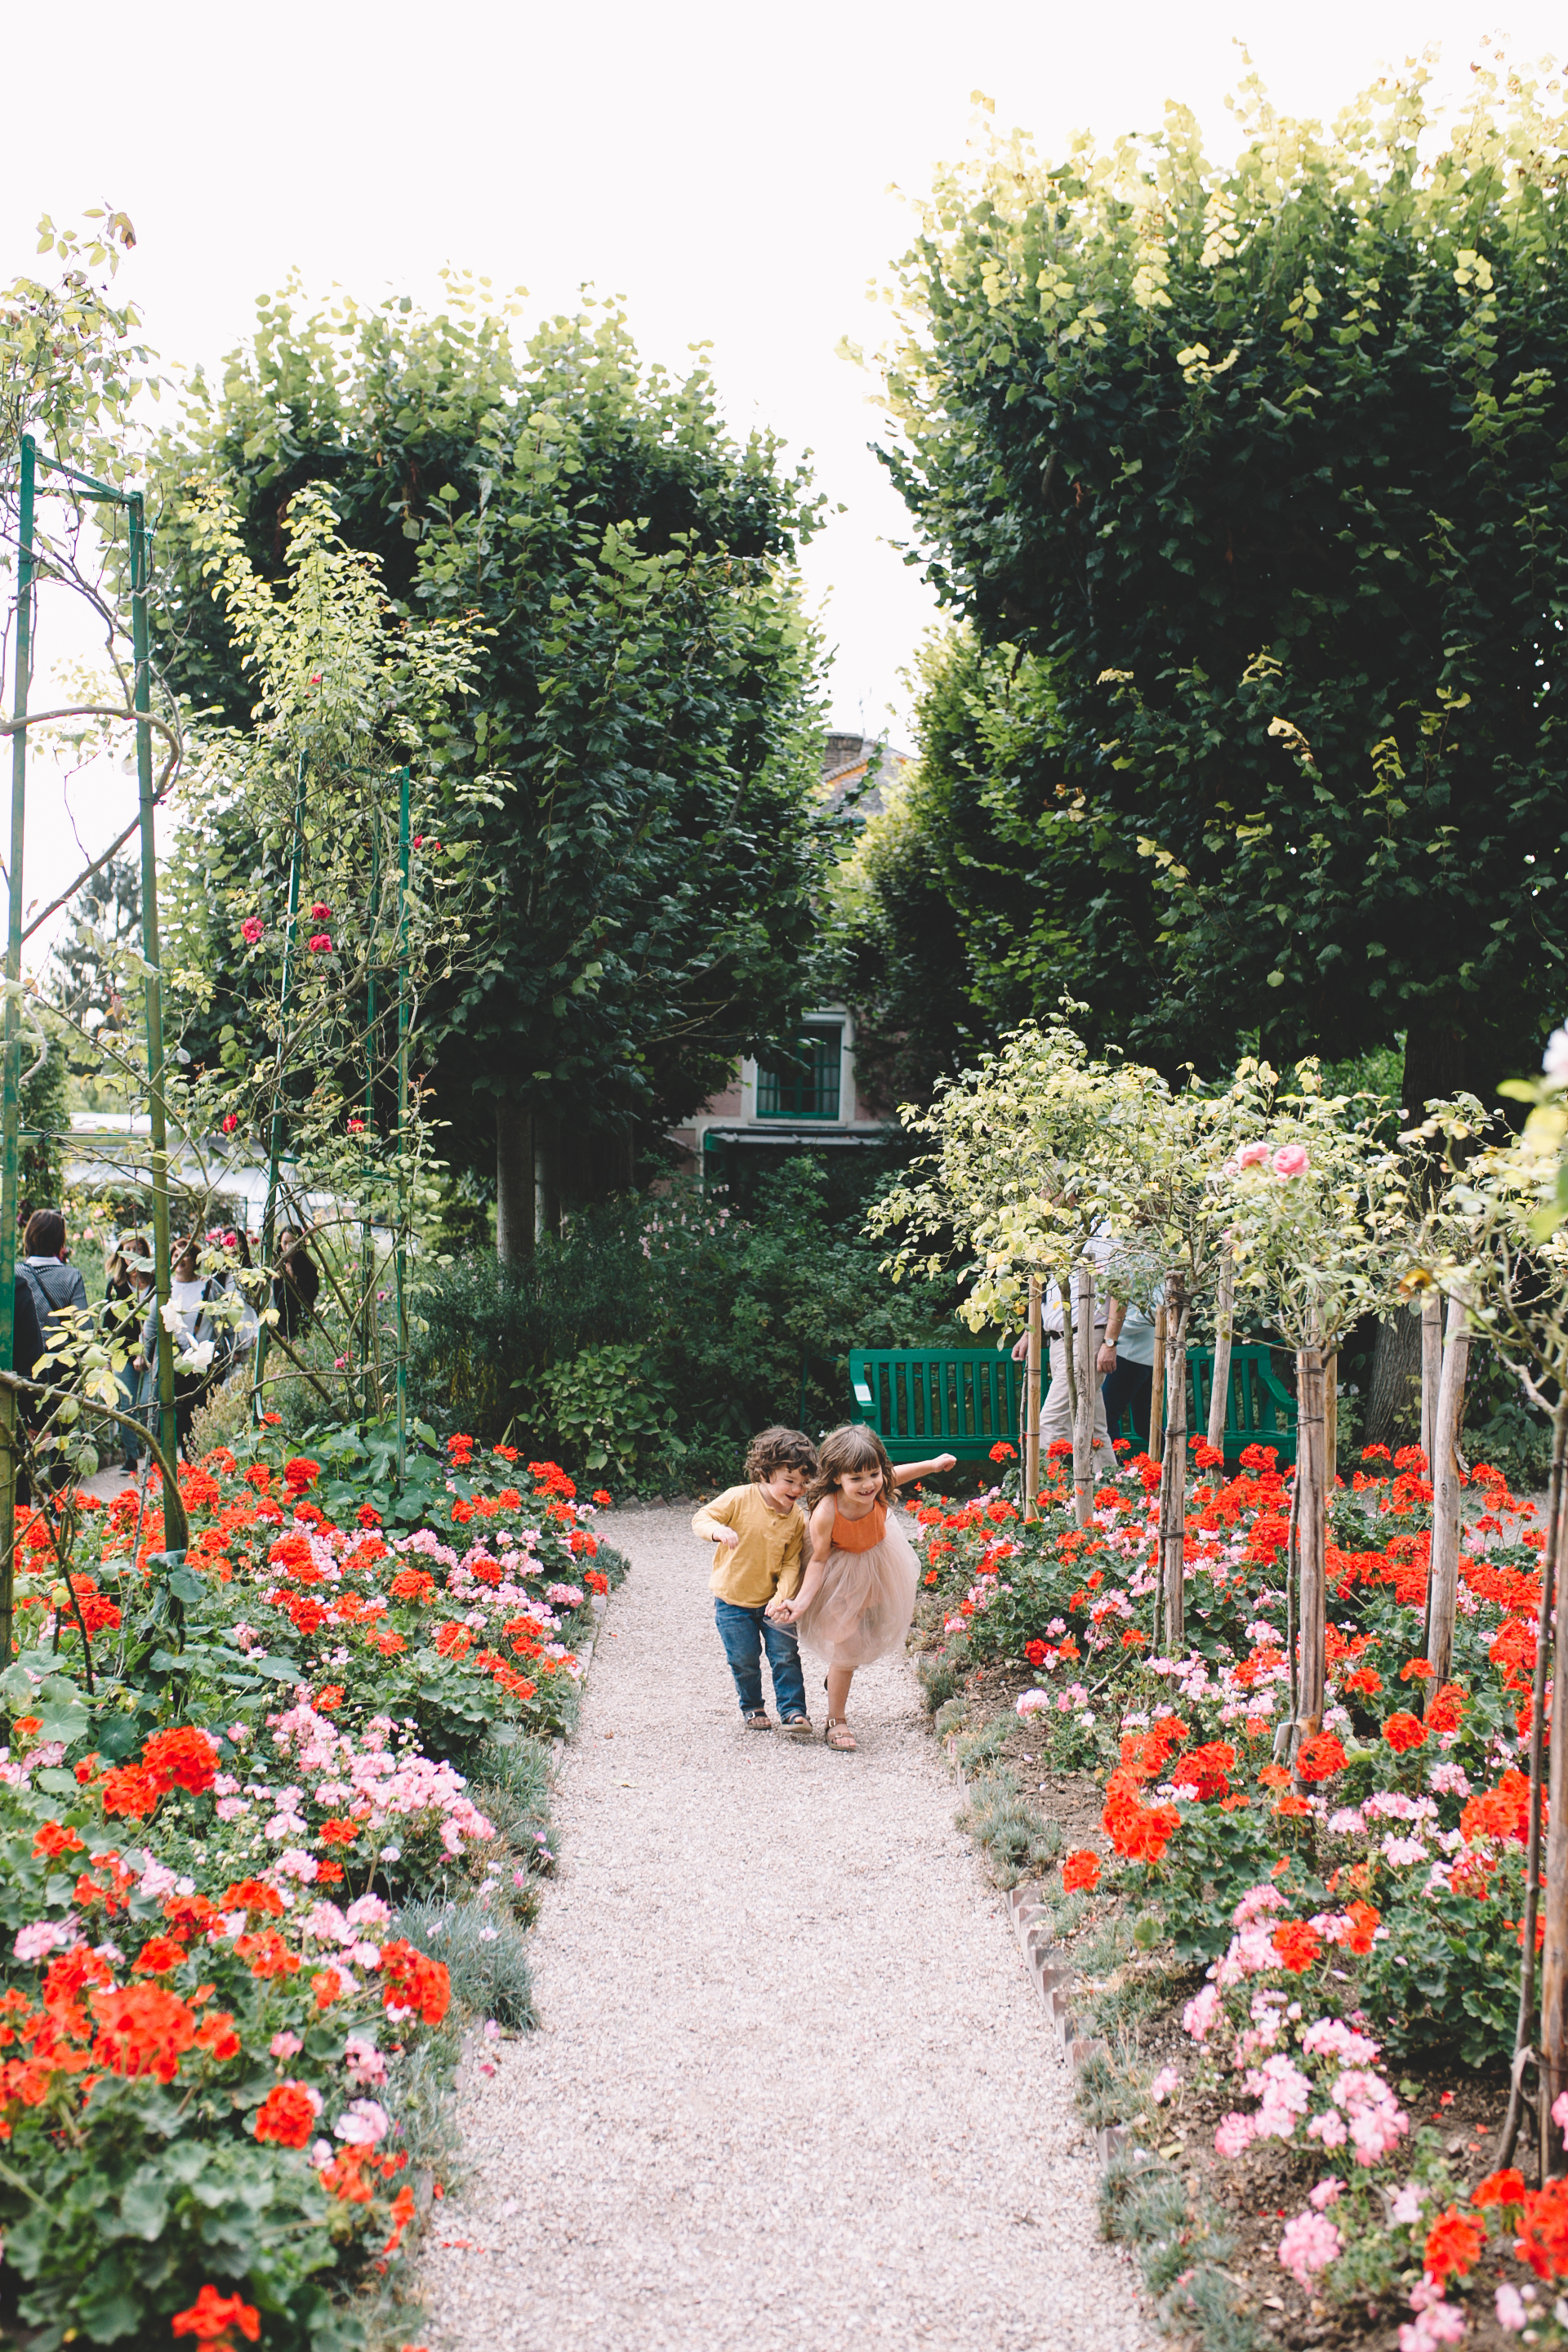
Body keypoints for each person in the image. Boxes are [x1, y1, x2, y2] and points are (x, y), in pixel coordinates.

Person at [768, 1424, 956, 1753]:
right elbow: (818, 1562)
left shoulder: (879, 1486)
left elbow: (899, 1473)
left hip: (878, 1561)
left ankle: (839, 1673)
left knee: (876, 1625)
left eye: (873, 1474)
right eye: (856, 1479)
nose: (868, 1485)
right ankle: (836, 1719)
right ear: (837, 1477)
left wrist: (934, 1464)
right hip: (840, 1572)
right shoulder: (827, 1511)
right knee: (847, 1646)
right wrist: (800, 1601)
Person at [691, 1427, 819, 1738]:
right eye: (789, 1481)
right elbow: (701, 1518)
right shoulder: (739, 1497)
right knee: (744, 1659)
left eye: (803, 1482)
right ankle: (752, 1705)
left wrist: (782, 1596)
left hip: (773, 1601)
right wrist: (717, 1531)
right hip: (732, 1600)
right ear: (764, 1473)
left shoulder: (797, 1518)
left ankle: (793, 1711)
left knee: (785, 1655)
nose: (797, 1489)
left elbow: (791, 1562)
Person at [105, 1232, 153, 1475]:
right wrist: (107, 1358)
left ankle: (154, 1455)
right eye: (128, 1249)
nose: (134, 1254)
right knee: (127, 1405)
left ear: (145, 1252)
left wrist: (145, 1351)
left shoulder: (155, 1282)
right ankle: (131, 1457)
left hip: (152, 1351)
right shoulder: (116, 1286)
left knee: (148, 1403)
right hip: (123, 1353)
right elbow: (108, 1324)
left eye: (138, 1248)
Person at [16, 1208, 90, 1361]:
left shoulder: (15, 1274)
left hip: (23, 1367)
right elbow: (84, 1329)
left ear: (29, 1236)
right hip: (63, 1368)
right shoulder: (71, 1277)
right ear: (60, 1240)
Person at [1099, 1294, 1158, 1452]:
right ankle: (1185, 1464)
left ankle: (1115, 1472)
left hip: (1131, 1353)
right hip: (1137, 1352)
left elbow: (1155, 1310)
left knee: (1105, 1416)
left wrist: (1109, 1330)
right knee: (1144, 1423)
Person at [273, 1227, 321, 1340]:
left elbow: (310, 1297)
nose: (288, 1247)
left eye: (292, 1243)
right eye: (285, 1243)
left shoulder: (308, 1267)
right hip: (278, 1324)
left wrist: (294, 1282)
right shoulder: (276, 1267)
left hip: (300, 1323)